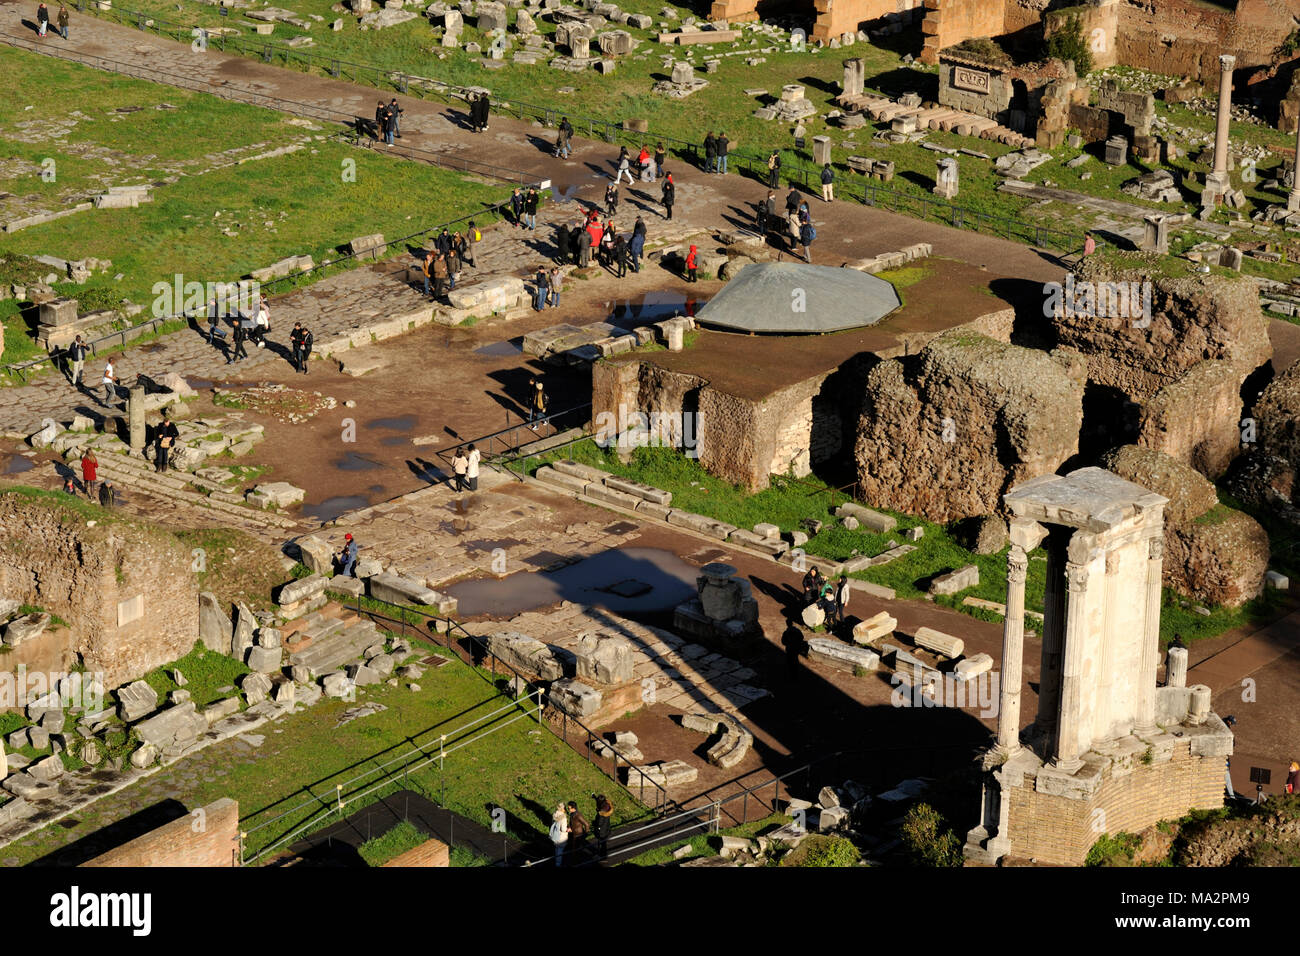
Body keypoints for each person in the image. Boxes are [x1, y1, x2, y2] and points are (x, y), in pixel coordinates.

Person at [592, 794, 613, 858]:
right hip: (606, 828)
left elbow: (599, 823)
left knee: (601, 843)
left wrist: (594, 823)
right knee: (604, 843)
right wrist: (595, 797)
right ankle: (603, 854)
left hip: (601, 831)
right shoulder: (607, 807)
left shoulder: (601, 813)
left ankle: (601, 855)